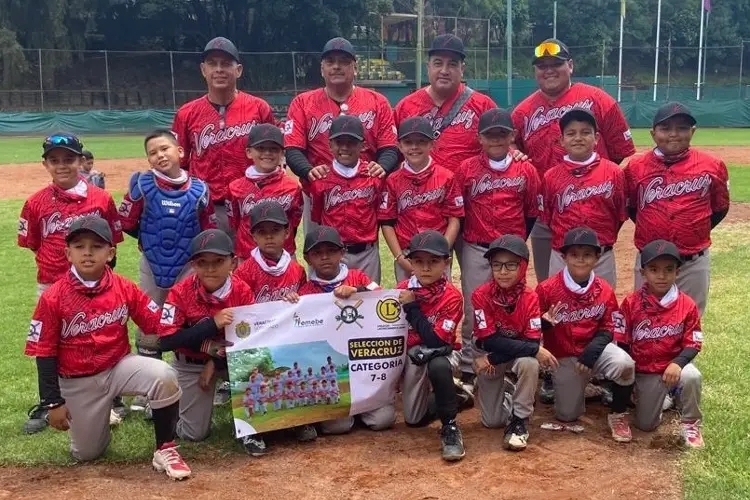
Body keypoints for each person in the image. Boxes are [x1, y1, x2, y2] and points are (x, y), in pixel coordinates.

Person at [24, 216, 190, 479]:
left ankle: (165, 448)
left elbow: (156, 323)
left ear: (110, 252)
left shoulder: (124, 287)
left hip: (118, 367)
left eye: (97, 246)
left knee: (164, 375)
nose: (87, 252)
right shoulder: (53, 297)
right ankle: (100, 414)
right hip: (78, 381)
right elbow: (44, 352)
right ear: (68, 253)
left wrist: (195, 318)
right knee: (87, 453)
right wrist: (52, 402)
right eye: (79, 246)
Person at [18, 133, 123, 434]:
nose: (61, 165)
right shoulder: (35, 203)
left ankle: (111, 397)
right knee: (49, 344)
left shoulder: (101, 198)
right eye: (54, 160)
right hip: (51, 285)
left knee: (103, 335)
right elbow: (34, 243)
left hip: (95, 284)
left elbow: (112, 242)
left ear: (81, 161)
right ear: (45, 164)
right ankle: (50, 401)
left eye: (68, 159)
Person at [511, 38, 635, 284]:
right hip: (546, 209)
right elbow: (509, 142)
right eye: (541, 65)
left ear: (570, 65)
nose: (548, 70)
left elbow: (619, 149)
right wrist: (516, 152)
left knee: (598, 290)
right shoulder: (523, 111)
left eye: (555, 64)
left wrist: (591, 177)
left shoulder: (599, 100)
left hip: (593, 205)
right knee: (551, 287)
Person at [155, 229, 265, 455]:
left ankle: (252, 429)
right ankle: (174, 405)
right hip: (190, 363)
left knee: (258, 367)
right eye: (202, 262)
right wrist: (210, 327)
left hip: (233, 361)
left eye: (218, 261)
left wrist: (214, 361)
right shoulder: (180, 292)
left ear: (233, 262)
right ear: (193, 265)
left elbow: (250, 341)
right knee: (194, 434)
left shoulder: (242, 291)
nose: (210, 268)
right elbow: (164, 341)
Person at [454, 108, 541, 380]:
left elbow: (531, 211)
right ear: (480, 138)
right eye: (489, 135)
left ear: (512, 136)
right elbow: (460, 209)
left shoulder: (526, 169)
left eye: (501, 134)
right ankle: (470, 363)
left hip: (511, 252)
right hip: (477, 247)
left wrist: (516, 244)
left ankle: (511, 361)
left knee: (514, 305)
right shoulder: (466, 169)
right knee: (472, 307)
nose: (495, 140)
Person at [119, 129, 216, 366]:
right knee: (150, 316)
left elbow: (207, 232)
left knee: (192, 314)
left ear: (180, 151)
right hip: (153, 264)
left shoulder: (200, 190)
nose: (160, 155)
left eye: (165, 149)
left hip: (188, 266)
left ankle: (191, 366)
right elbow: (126, 221)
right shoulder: (142, 185)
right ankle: (149, 378)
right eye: (152, 153)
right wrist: (151, 242)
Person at [285, 225, 393, 434]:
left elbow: (383, 296)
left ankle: (364, 409)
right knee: (337, 426)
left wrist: (358, 292)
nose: (325, 257)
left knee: (383, 420)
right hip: (333, 368)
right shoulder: (306, 292)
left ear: (342, 253)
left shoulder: (356, 277)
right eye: (317, 253)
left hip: (363, 366)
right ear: (307, 259)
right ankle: (347, 411)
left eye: (331, 251)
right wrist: (290, 304)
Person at [624, 102, 729, 316]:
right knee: (644, 320)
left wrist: (693, 229)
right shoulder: (636, 168)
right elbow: (632, 208)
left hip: (692, 262)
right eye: (665, 128)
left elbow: (720, 207)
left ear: (693, 131)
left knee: (688, 321)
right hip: (650, 261)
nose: (674, 134)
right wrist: (654, 228)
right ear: (653, 133)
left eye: (681, 128)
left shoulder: (712, 165)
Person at [285, 36, 398, 234]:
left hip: (364, 195)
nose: (336, 66)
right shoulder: (302, 102)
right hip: (318, 194)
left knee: (364, 253)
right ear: (322, 69)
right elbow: (293, 149)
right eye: (330, 62)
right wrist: (308, 171)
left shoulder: (377, 101)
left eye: (344, 62)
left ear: (355, 68)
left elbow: (389, 147)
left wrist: (382, 167)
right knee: (321, 256)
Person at [536, 227, 635, 443]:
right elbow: (530, 327)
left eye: (587, 254)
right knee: (567, 416)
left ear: (597, 257)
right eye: (574, 254)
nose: (580, 260)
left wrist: (592, 351)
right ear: (564, 256)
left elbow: (610, 327)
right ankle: (582, 387)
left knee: (625, 364)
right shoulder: (547, 289)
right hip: (564, 354)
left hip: (593, 352)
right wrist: (545, 323)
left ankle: (618, 413)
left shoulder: (605, 289)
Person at [172, 36, 277, 235]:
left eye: (226, 63)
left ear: (238, 70)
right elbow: (179, 164)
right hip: (205, 205)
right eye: (212, 64)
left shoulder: (258, 108)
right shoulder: (186, 113)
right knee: (210, 264)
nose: (219, 69)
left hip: (250, 203)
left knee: (250, 263)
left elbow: (274, 156)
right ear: (204, 70)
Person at [233, 201, 317, 443]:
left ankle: (300, 419)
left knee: (298, 368)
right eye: (262, 232)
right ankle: (252, 430)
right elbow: (240, 313)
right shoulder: (245, 271)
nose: (269, 237)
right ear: (253, 236)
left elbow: (304, 309)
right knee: (256, 378)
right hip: (255, 340)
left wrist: (295, 301)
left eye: (275, 231)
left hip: (286, 338)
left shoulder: (296, 270)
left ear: (287, 233)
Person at [618, 240, 704, 448]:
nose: (662, 276)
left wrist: (678, 362)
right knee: (646, 425)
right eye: (654, 269)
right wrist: (631, 382)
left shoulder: (687, 304)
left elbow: (694, 342)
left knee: (692, 375)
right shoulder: (631, 303)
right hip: (645, 371)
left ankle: (691, 422)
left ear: (678, 272)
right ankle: (667, 396)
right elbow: (621, 342)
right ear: (643, 272)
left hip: (672, 366)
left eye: (669, 269)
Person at [471, 235, 553, 451]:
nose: (503, 271)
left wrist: (490, 359)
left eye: (511, 265)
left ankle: (520, 419)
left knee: (530, 363)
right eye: (497, 265)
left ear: (523, 266)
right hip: (490, 350)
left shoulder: (530, 297)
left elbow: (532, 339)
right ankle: (509, 392)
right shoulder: (480, 295)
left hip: (501, 356)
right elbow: (487, 340)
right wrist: (533, 348)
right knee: (492, 422)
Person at [397, 231, 466, 461]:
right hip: (414, 356)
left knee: (438, 365)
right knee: (414, 420)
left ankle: (450, 427)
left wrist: (412, 308)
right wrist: (354, 291)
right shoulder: (402, 289)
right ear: (411, 263)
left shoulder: (452, 296)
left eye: (433, 261)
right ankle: (455, 397)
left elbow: (436, 342)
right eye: (419, 261)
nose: (426, 268)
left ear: (446, 263)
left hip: (443, 352)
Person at [543, 109, 627, 288]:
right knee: (559, 309)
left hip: (601, 257)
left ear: (596, 138)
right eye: (571, 133)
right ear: (561, 141)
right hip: (562, 256)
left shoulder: (614, 173)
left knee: (603, 310)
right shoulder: (551, 177)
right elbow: (548, 218)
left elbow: (619, 215)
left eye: (585, 132)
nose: (578, 138)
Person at [394, 34, 497, 171]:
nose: (444, 71)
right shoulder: (405, 107)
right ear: (428, 67)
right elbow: (393, 153)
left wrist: (517, 154)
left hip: (470, 189)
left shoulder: (483, 105)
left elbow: (504, 147)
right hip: (420, 191)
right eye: (438, 63)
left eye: (452, 64)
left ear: (462, 69)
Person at [379, 117, 464, 283]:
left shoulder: (446, 176)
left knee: (441, 301)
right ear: (399, 146)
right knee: (408, 302)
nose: (414, 147)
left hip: (437, 255)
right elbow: (387, 222)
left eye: (421, 141)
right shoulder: (393, 180)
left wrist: (443, 251)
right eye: (408, 142)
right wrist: (399, 258)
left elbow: (455, 218)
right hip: (406, 254)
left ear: (431, 145)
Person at [304, 115, 385, 283]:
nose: (345, 147)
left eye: (351, 142)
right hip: (333, 254)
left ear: (362, 145)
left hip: (366, 253)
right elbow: (318, 218)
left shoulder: (373, 176)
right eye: (339, 142)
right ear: (330, 145)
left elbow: (378, 213)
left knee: (368, 301)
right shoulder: (320, 179)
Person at [227, 124, 303, 262]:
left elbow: (294, 223)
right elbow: (235, 223)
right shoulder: (235, 188)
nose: (267, 153)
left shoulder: (293, 187)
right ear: (249, 152)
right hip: (247, 257)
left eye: (273, 149)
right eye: (261, 148)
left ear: (282, 154)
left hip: (283, 257)